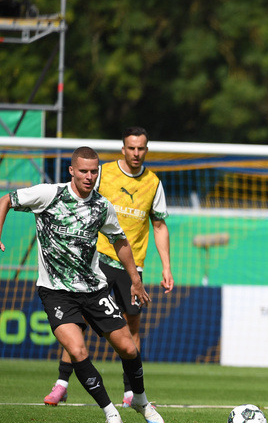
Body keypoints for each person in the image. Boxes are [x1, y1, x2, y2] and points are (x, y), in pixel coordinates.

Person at [0, 146, 166, 423]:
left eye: (94, 171)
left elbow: (120, 242)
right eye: (83, 171)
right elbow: (3, 202)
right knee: (77, 349)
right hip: (55, 291)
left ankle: (141, 401)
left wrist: (135, 279)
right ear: (71, 170)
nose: (89, 176)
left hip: (94, 289)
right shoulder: (49, 194)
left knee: (128, 348)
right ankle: (110, 413)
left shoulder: (101, 206)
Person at [43, 127, 173, 408]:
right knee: (81, 322)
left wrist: (166, 266)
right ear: (123, 149)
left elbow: (159, 225)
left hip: (132, 265)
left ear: (146, 150)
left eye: (141, 148)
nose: (136, 153)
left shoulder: (154, 183)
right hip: (97, 260)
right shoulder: (101, 173)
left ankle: (130, 392)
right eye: (131, 148)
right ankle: (62, 383)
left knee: (131, 326)